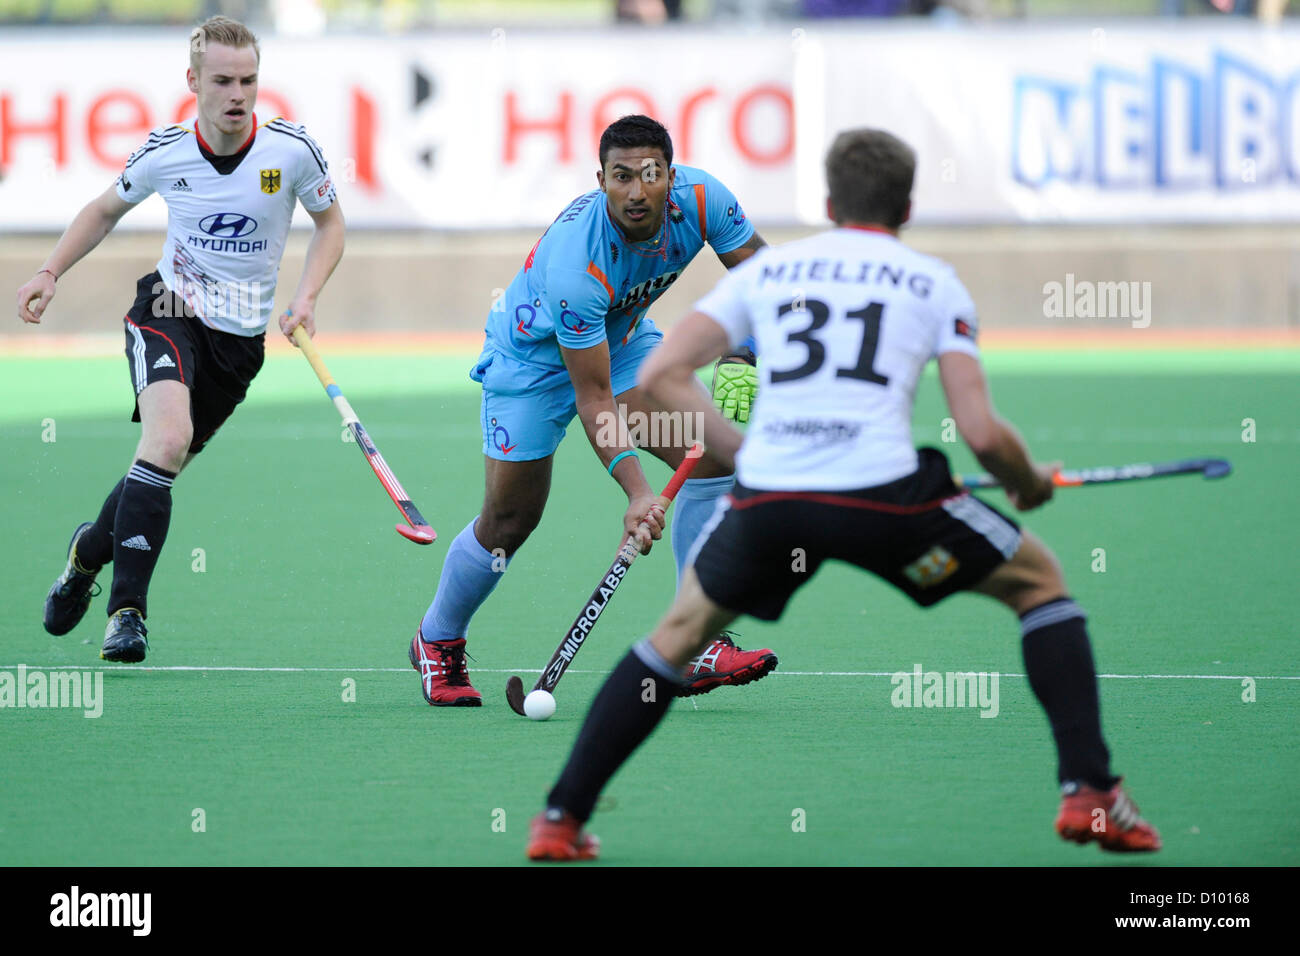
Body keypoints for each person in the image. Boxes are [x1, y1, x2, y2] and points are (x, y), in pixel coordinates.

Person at [525, 128, 1162, 861]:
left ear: (828, 204)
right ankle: (1090, 791)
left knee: (675, 639)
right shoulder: (934, 282)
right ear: (908, 208)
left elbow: (662, 373)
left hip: (773, 502)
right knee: (1041, 585)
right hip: (887, 499)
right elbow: (982, 433)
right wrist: (1027, 481)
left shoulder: (772, 273)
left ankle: (561, 818)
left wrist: (752, 452)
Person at [409, 114, 775, 706]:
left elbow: (764, 276)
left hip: (622, 342)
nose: (637, 191)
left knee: (710, 459)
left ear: (672, 175)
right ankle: (437, 637)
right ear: (600, 180)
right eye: (621, 176)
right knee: (510, 522)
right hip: (531, 364)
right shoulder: (577, 266)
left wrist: (743, 350)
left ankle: (694, 640)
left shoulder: (704, 199)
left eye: (651, 174)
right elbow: (594, 398)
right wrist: (637, 492)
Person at [18, 16, 345, 663]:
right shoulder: (166, 152)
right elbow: (103, 211)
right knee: (167, 439)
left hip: (239, 343)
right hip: (168, 307)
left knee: (157, 468)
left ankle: (86, 554)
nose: (238, 94)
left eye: (248, 80)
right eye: (222, 81)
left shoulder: (291, 152)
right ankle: (127, 614)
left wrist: (307, 295)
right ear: (192, 81)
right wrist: (50, 271)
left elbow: (330, 223)